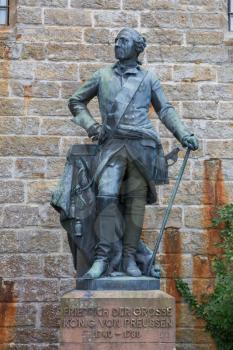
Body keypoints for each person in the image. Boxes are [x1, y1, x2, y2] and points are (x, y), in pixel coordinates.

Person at [68, 27, 198, 279]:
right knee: (106, 196)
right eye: (116, 40)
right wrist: (92, 126)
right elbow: (75, 101)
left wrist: (184, 134)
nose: (117, 44)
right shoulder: (102, 76)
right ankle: (102, 258)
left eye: (124, 41)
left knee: (135, 203)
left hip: (142, 146)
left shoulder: (148, 78)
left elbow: (166, 109)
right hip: (112, 145)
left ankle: (129, 259)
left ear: (137, 48)